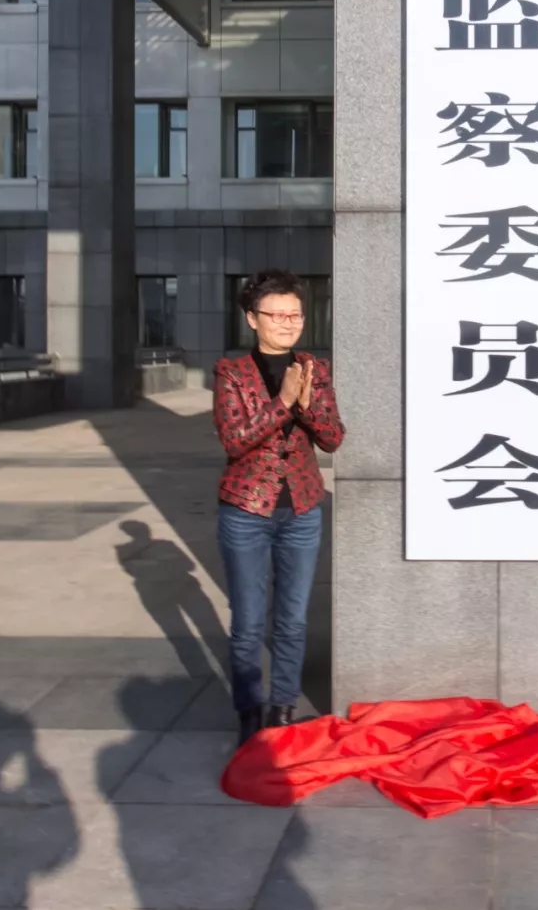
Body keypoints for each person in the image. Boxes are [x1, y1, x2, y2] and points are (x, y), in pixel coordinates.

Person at [213, 269, 345, 745]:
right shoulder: (230, 372)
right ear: (253, 318)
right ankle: (249, 710)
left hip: (303, 509)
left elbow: (333, 438)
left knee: (292, 618)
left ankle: (283, 707)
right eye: (277, 314)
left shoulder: (315, 368)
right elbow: (235, 440)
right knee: (248, 622)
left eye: (296, 314)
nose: (288, 323)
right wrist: (285, 401)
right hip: (246, 510)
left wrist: (307, 404)